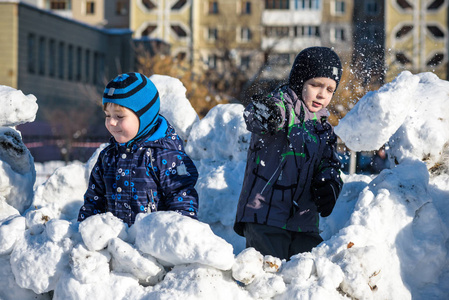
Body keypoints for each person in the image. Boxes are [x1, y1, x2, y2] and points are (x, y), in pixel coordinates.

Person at [234, 47, 343, 260]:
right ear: (299, 81)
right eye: (315, 85)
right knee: (268, 280)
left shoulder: (324, 129)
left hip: (304, 222)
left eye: (330, 89)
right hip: (265, 215)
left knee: (306, 280)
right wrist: (266, 114)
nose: (322, 94)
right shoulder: (282, 105)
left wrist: (330, 183)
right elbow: (253, 116)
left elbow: (330, 163)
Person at [78, 72, 199, 227]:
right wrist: (84, 230)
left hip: (151, 245)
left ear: (145, 117)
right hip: (115, 244)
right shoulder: (107, 157)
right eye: (108, 116)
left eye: (119, 117)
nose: (111, 123)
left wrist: (178, 232)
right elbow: (93, 200)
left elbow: (181, 198)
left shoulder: (166, 156)